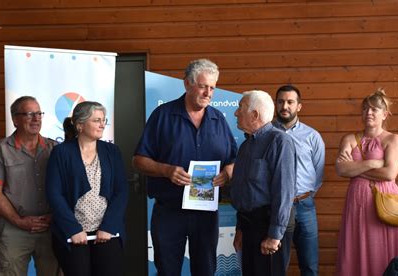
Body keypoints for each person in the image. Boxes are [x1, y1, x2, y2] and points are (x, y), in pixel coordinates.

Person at [133, 59, 237, 276]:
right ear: (187, 84)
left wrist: (228, 173)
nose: (208, 92)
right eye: (203, 86)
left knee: (206, 271)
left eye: (212, 88)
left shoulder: (218, 119)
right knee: (168, 271)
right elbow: (138, 160)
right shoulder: (162, 116)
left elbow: (234, 160)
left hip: (206, 214)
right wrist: (166, 170)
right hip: (170, 212)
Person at [46, 101, 128, 275]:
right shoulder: (61, 153)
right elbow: (54, 194)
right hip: (74, 234)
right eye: (96, 120)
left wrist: (109, 226)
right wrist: (73, 229)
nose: (102, 125)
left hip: (108, 233)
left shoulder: (112, 151)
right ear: (80, 125)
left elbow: (121, 191)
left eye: (103, 120)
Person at [0, 96, 59, 276]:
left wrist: (54, 215)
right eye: (30, 114)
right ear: (15, 119)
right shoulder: (0, 150)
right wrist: (19, 221)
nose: (36, 119)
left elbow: (66, 188)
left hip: (50, 227)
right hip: (14, 229)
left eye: (39, 113)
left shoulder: (55, 149)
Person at [335, 89, 398, 275]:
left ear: (385, 114)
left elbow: (390, 173)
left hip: (385, 200)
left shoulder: (393, 139)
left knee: (381, 249)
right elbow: (341, 169)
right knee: (355, 247)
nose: (369, 113)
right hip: (357, 202)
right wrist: (371, 163)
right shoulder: (349, 138)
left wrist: (356, 169)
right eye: (365, 108)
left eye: (374, 109)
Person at [230, 90, 296, 276]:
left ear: (255, 115)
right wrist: (240, 229)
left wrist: (274, 236)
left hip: (269, 227)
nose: (236, 113)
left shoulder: (280, 141)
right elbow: (243, 190)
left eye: (240, 108)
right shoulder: (245, 146)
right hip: (249, 227)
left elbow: (284, 192)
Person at [272, 84, 325, 276]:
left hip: (305, 207)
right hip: (276, 207)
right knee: (276, 267)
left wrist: (303, 196)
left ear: (299, 106)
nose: (284, 106)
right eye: (280, 101)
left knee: (310, 266)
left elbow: (318, 174)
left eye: (290, 102)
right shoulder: (267, 134)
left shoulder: (312, 136)